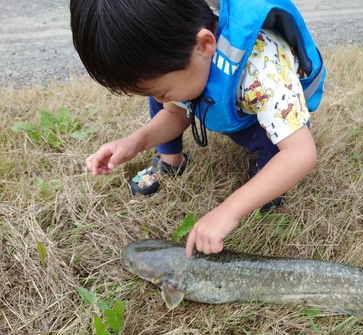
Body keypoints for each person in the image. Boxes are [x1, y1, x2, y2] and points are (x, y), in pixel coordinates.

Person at [70, 0, 326, 257]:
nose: (160, 100)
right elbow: (174, 113)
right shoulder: (181, 54)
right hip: (212, 88)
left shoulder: (264, 74)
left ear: (204, 45)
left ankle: (265, 178)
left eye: (162, 91)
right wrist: (136, 142)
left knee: (273, 161)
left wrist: (229, 210)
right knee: (168, 97)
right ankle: (171, 160)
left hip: (260, 110)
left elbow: (299, 154)